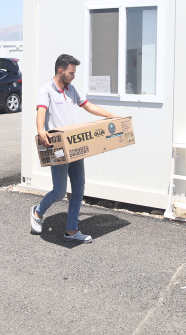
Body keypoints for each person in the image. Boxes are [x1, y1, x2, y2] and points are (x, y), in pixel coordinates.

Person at [29, 54, 119, 243]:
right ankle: (37, 212)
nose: (73, 76)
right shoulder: (46, 90)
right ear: (60, 71)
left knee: (78, 189)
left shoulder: (72, 90)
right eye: (71, 72)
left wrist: (109, 115)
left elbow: (87, 105)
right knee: (59, 192)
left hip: (76, 146)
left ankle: (71, 231)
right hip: (58, 148)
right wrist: (40, 130)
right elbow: (41, 111)